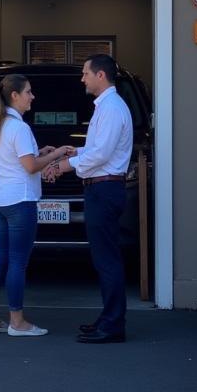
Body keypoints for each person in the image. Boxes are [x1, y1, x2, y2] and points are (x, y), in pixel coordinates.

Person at [48, 54, 133, 344]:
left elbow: (102, 155)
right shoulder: (106, 107)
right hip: (101, 189)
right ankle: (108, 318)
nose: (82, 78)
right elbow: (96, 149)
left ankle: (112, 326)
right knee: (103, 258)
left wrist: (63, 166)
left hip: (105, 190)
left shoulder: (111, 108)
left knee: (107, 260)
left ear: (101, 75)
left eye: (85, 73)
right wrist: (75, 152)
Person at [0, 73, 67, 338]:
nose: (32, 96)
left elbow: (18, 159)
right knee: (18, 262)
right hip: (21, 200)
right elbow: (29, 167)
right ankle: (17, 322)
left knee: (1, 258)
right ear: (14, 96)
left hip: (1, 199)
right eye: (28, 92)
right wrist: (58, 153)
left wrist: (41, 152)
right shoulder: (19, 128)